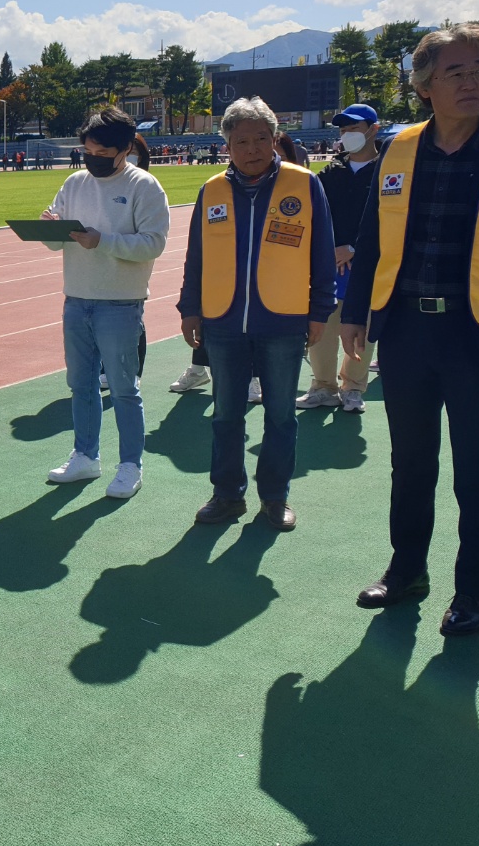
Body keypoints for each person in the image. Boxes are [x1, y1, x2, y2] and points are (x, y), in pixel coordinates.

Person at [341, 23, 479, 636]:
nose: (473, 82)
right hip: (406, 333)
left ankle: (473, 593)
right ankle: (407, 572)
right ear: (425, 86)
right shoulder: (399, 150)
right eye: (456, 72)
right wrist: (356, 313)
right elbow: (372, 238)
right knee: (411, 463)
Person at [177, 97, 336, 532]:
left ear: (275, 138)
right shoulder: (212, 190)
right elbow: (196, 256)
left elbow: (322, 253)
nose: (252, 149)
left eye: (261, 139)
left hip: (283, 320)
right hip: (224, 322)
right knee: (226, 415)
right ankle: (227, 495)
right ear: (226, 145)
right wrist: (190, 307)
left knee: (281, 415)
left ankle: (275, 497)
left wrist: (320, 310)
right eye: (242, 141)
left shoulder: (304, 184)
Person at [41, 108, 170, 499]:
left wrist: (103, 241)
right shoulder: (74, 183)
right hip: (76, 298)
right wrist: (49, 229)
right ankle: (85, 456)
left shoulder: (144, 186)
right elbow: (55, 242)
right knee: (81, 385)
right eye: (88, 151)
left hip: (120, 303)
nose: (92, 158)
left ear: (126, 148)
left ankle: (130, 465)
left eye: (102, 152)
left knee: (124, 389)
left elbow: (153, 243)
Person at [297, 104, 379, 414]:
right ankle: (323, 386)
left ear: (373, 129)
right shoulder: (331, 173)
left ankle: (353, 387)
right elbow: (315, 215)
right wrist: (328, 250)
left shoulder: (388, 171)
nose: (347, 135)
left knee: (361, 330)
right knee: (322, 328)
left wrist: (355, 249)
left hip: (367, 266)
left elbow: (393, 220)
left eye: (354, 129)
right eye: (343, 130)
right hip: (330, 265)